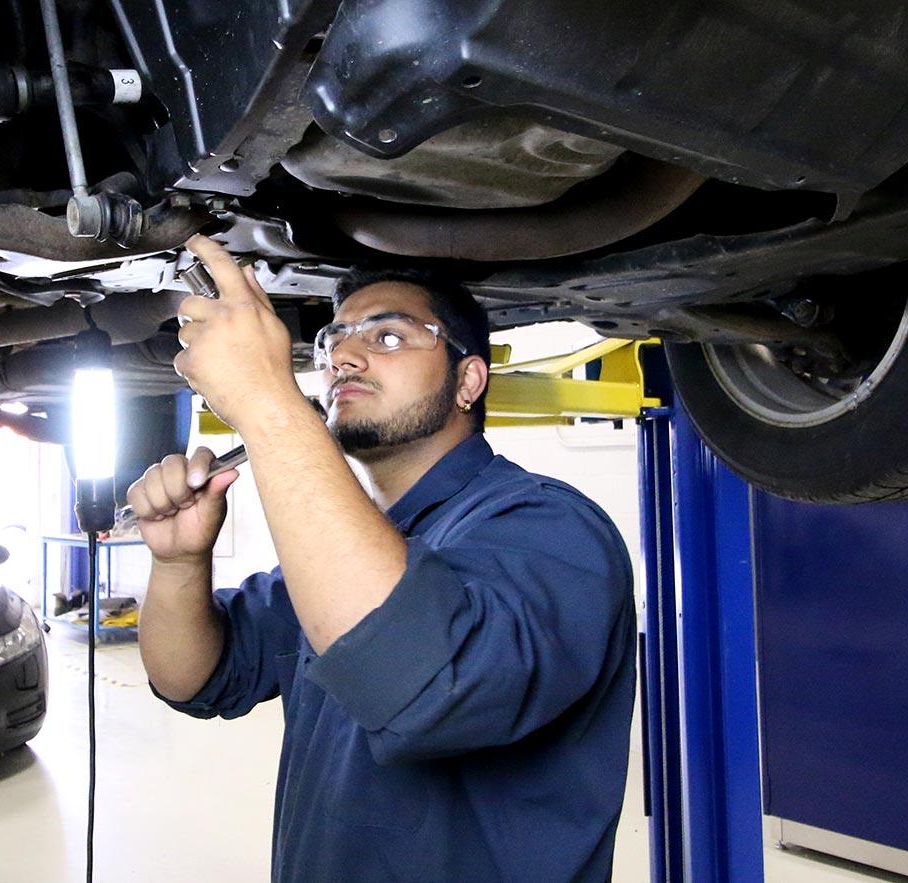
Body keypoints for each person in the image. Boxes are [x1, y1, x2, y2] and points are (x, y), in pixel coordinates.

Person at [128, 235, 637, 882]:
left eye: (389, 336)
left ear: (468, 379)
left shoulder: (554, 529)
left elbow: (416, 679)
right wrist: (178, 566)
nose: (342, 355)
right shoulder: (344, 557)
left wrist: (266, 402)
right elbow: (194, 678)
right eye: (333, 339)